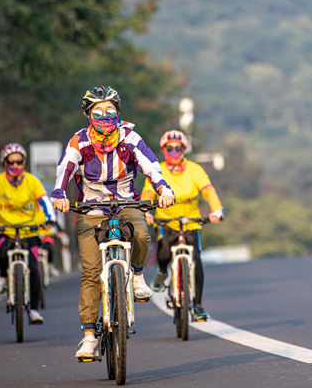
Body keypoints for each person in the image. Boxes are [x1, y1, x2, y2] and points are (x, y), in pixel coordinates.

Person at [50, 85, 174, 361]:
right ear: (88, 115)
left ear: (118, 113)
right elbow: (65, 169)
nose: (105, 117)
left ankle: (138, 275)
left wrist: (164, 188)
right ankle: (89, 337)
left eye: (110, 111)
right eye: (98, 112)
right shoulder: (79, 141)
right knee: (92, 273)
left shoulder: (130, 137)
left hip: (126, 203)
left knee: (141, 234)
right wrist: (58, 193)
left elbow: (150, 165)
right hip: (91, 209)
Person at [142, 129, 223, 322]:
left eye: (178, 148)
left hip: (191, 222)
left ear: (184, 149)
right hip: (165, 220)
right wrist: (146, 212)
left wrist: (217, 210)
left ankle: (198, 306)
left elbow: (208, 191)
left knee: (197, 260)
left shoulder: (195, 170)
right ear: (163, 149)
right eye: (169, 148)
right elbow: (147, 193)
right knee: (163, 252)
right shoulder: (157, 170)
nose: (174, 151)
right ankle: (162, 273)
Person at [0, 142, 54, 325]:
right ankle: (3, 277)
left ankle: (34, 310)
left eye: (19, 162)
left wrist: (50, 218)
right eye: (10, 162)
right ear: (4, 163)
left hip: (29, 231)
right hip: (6, 230)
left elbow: (44, 201)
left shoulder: (32, 181)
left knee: (34, 268)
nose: (15, 166)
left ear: (24, 163)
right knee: (3, 251)